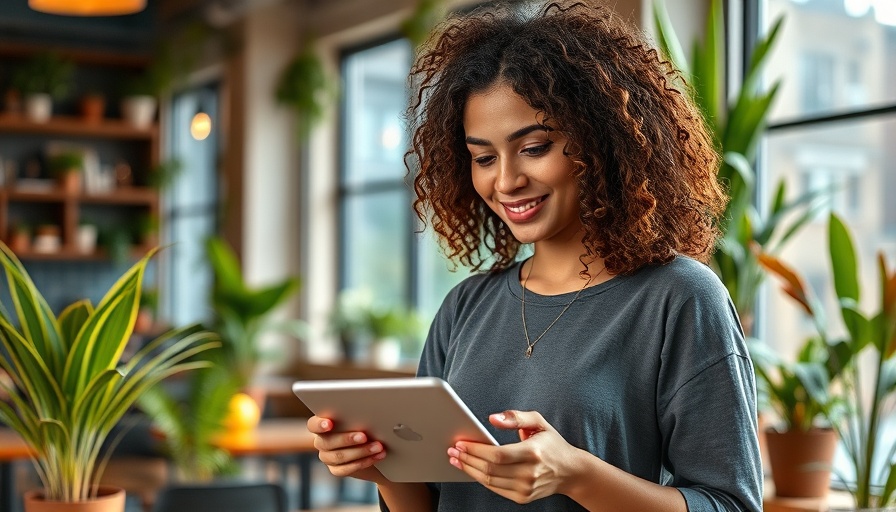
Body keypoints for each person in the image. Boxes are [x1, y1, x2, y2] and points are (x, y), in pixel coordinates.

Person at [308, 1, 763, 510]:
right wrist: (384, 471)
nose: (505, 181)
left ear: (599, 142)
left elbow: (731, 504)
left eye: (534, 147)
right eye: (483, 158)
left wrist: (577, 476)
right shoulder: (464, 308)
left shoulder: (679, 298)